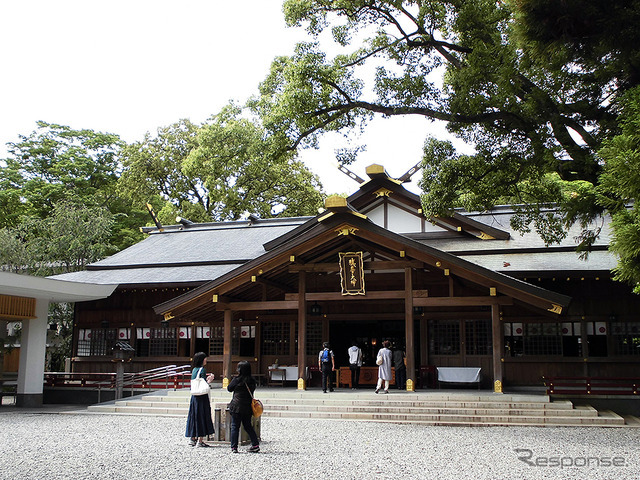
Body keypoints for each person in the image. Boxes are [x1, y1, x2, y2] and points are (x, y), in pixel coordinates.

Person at [227, 361, 260, 453]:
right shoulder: (252, 381)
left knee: (235, 426)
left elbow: (229, 388)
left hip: (236, 406)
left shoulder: (237, 380)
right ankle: (255, 444)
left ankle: (234, 447)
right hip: (247, 406)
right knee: (248, 426)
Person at [185, 352, 215, 447]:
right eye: (205, 358)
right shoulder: (202, 370)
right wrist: (209, 380)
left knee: (194, 416)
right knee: (202, 415)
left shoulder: (194, 370)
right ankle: (200, 440)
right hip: (202, 396)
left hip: (194, 396)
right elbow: (204, 383)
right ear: (202, 360)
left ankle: (192, 438)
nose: (206, 360)